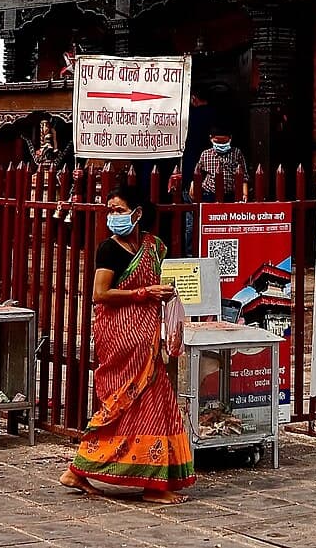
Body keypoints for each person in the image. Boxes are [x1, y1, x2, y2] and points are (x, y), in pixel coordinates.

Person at [60, 190, 193, 501]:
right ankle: (143, 485)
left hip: (146, 339)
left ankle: (87, 474)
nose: (112, 215)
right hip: (119, 338)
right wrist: (143, 292)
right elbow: (100, 294)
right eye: (110, 209)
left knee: (152, 409)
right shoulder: (109, 249)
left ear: (137, 214)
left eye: (118, 209)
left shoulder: (154, 247)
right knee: (119, 407)